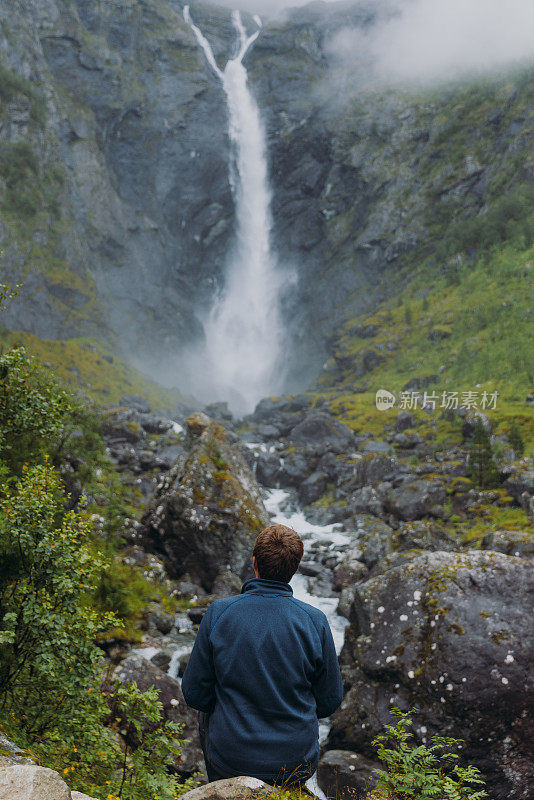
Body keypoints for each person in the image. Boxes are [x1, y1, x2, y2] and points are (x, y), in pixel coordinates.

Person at [181, 524, 343, 787]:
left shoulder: (219, 612)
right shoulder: (315, 620)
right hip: (294, 763)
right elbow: (329, 701)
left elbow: (194, 693)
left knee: (207, 712)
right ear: (295, 569)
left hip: (231, 759)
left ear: (254, 562)